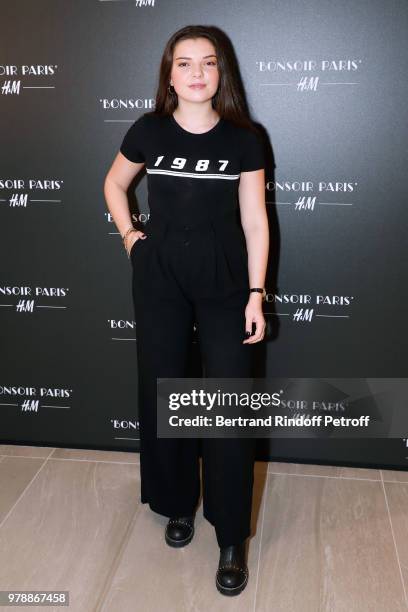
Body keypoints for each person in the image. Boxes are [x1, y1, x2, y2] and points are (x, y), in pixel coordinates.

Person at [104, 25, 269, 597]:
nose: (196, 73)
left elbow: (255, 222)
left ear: (221, 74)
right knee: (167, 389)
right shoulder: (148, 130)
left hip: (226, 286)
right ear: (169, 74)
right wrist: (130, 236)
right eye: (184, 63)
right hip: (160, 282)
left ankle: (230, 535)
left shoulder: (246, 140)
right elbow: (113, 183)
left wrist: (255, 294)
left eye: (207, 63)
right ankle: (176, 503)